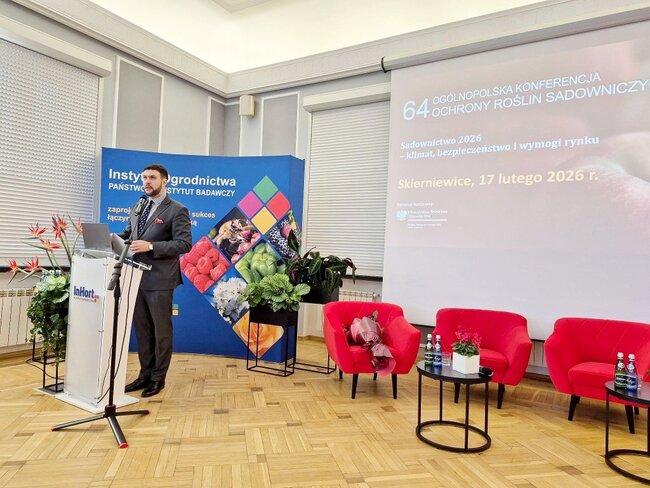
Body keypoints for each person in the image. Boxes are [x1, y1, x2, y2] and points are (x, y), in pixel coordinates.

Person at [120, 164, 192, 397]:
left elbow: (184, 244)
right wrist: (110, 238)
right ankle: (144, 375)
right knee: (143, 330)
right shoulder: (138, 206)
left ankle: (158, 379)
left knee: (161, 331)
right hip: (136, 277)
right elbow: (128, 235)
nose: (147, 181)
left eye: (152, 177)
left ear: (164, 181)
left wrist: (151, 246)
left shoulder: (177, 210)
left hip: (160, 279)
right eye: (144, 177)